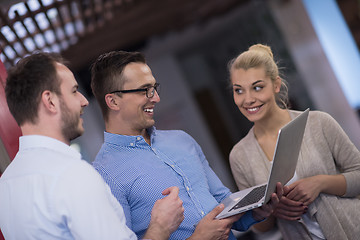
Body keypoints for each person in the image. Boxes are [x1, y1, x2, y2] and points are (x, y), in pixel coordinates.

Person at [90, 50, 282, 240]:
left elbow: (222, 201)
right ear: (113, 101)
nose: (156, 97)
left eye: (154, 87)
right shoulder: (104, 176)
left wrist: (257, 209)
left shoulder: (181, 140)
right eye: (144, 90)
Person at [0, 52, 184, 240]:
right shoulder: (72, 175)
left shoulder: (6, 186)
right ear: (50, 101)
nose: (84, 101)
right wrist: (161, 226)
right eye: (73, 91)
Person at [228, 44, 360, 240]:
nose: (248, 99)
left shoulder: (318, 123)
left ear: (276, 85)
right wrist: (270, 210)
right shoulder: (239, 156)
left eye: (257, 87)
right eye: (239, 90)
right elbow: (259, 227)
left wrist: (320, 183)